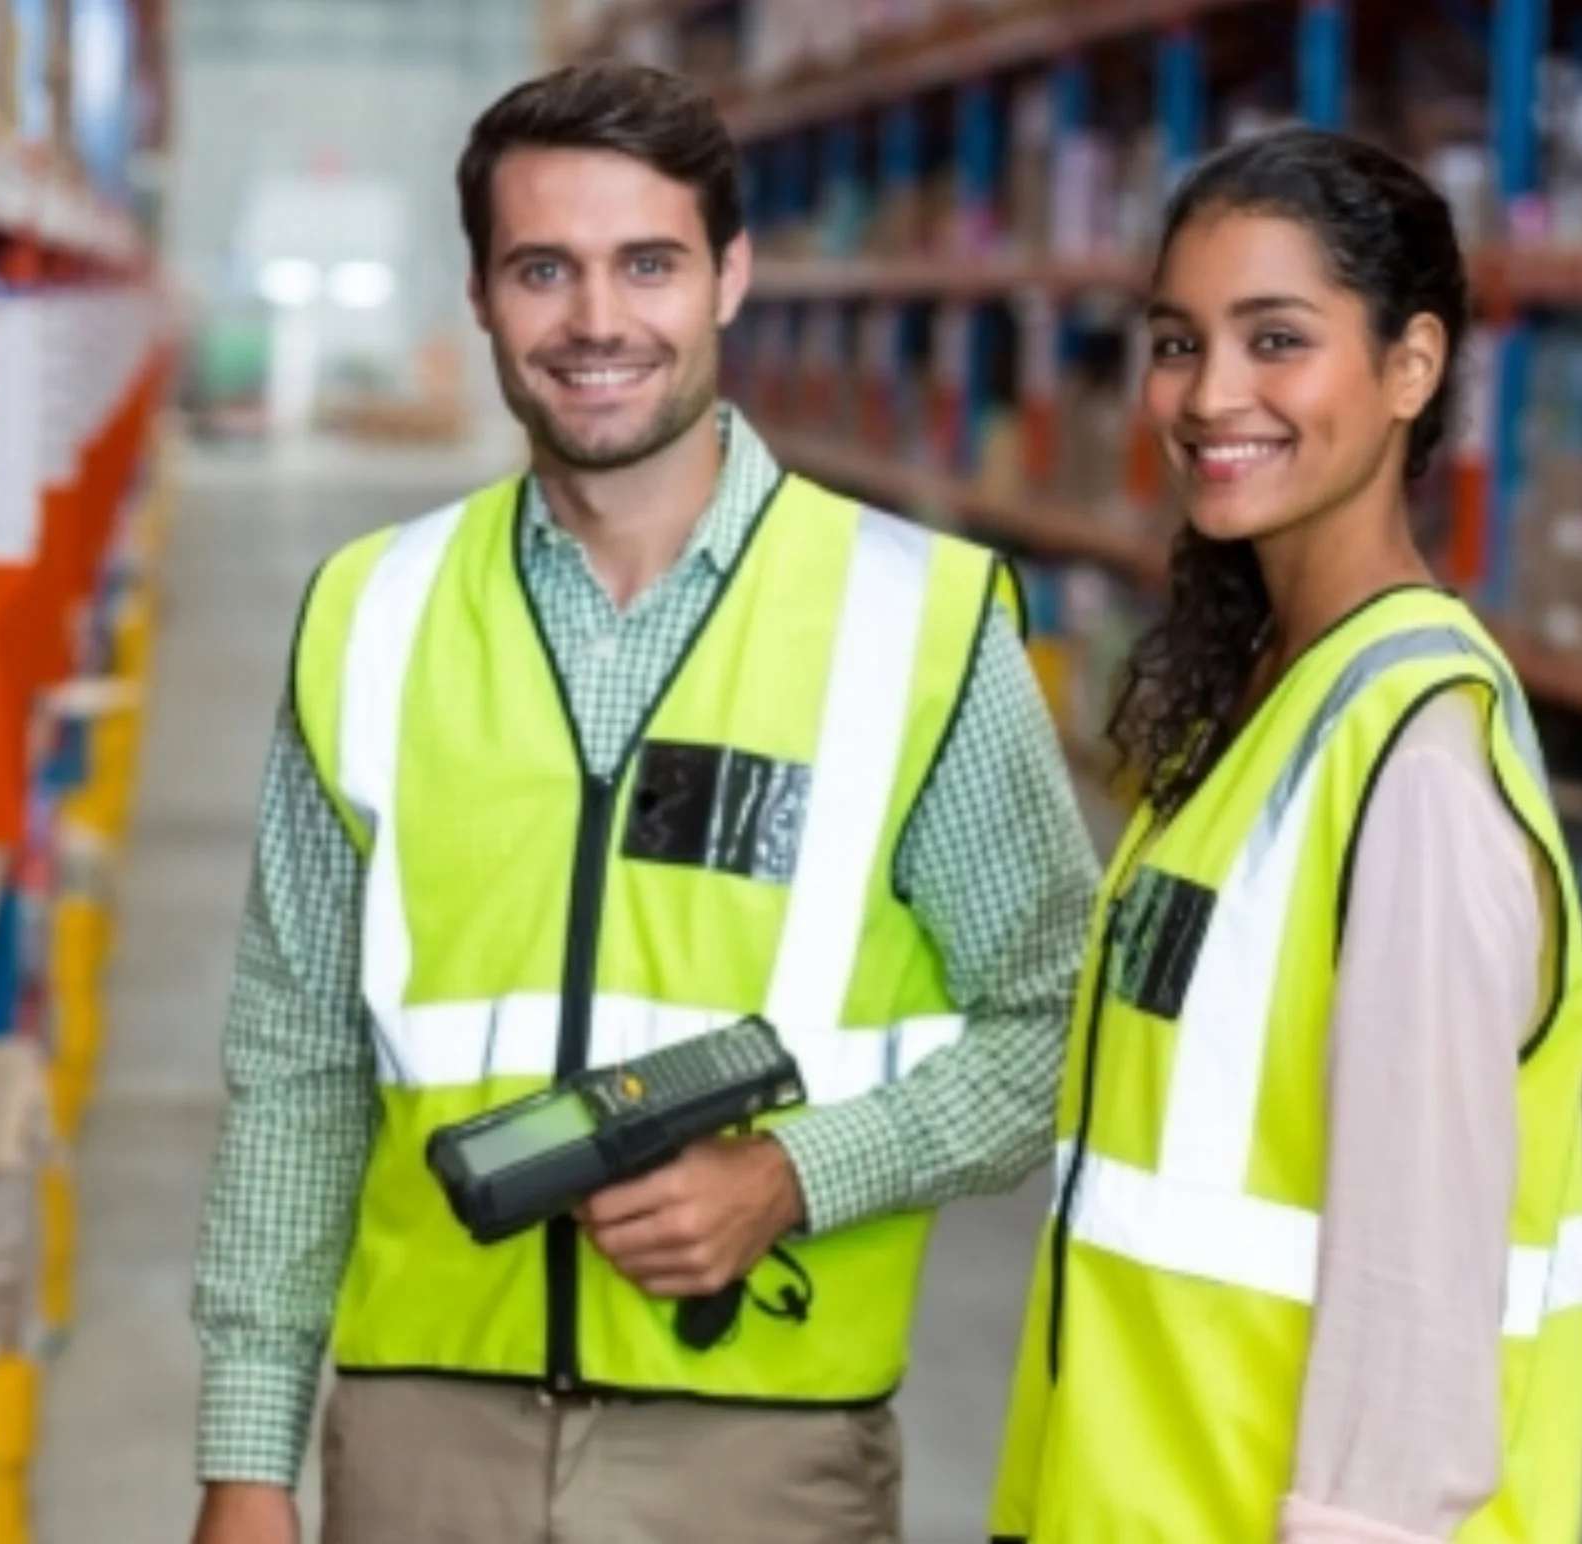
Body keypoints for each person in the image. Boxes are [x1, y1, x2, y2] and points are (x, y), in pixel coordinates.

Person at [186, 60, 1097, 1544]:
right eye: (544, 269)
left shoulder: (913, 620)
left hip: (757, 1440)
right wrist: (245, 1451)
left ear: (730, 276)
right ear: (479, 293)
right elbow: (296, 1056)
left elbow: (1060, 1027)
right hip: (423, 1431)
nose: (598, 322)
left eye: (648, 264)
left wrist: (795, 1176)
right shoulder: (375, 613)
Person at [986, 127, 1582, 1544]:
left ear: (1410, 367)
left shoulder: (1416, 764)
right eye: (1177, 342)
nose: (1211, 396)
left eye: (1278, 340)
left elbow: (1417, 1299)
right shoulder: (1266, 702)